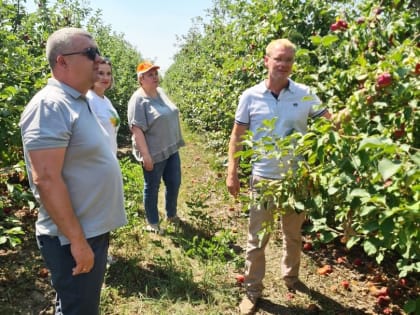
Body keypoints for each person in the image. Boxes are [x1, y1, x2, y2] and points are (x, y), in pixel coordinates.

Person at [19, 27, 126, 315]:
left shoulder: (78, 101)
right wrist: (78, 242)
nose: (99, 59)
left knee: (75, 305)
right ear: (62, 61)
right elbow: (46, 178)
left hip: (89, 230)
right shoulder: (50, 105)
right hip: (71, 237)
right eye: (90, 52)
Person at [226, 38, 333, 315]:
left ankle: (291, 277)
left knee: (293, 234)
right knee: (256, 238)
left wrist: (356, 110)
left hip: (297, 179)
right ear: (266, 61)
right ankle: (252, 290)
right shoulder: (250, 96)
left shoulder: (305, 93)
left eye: (288, 60)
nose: (284, 64)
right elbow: (237, 135)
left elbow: (329, 125)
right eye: (278, 59)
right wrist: (232, 172)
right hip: (264, 178)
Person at [127, 61, 185, 234]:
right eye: (150, 75)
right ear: (141, 79)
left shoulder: (160, 92)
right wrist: (146, 156)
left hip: (170, 148)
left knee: (174, 183)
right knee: (152, 187)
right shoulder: (138, 100)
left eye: (155, 74)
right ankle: (152, 222)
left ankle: (171, 214)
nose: (154, 77)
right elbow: (136, 130)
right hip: (153, 152)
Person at [86, 57, 120, 156]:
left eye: (108, 74)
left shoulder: (106, 101)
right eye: (100, 73)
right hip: (97, 161)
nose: (105, 78)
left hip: (110, 158)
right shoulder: (89, 100)